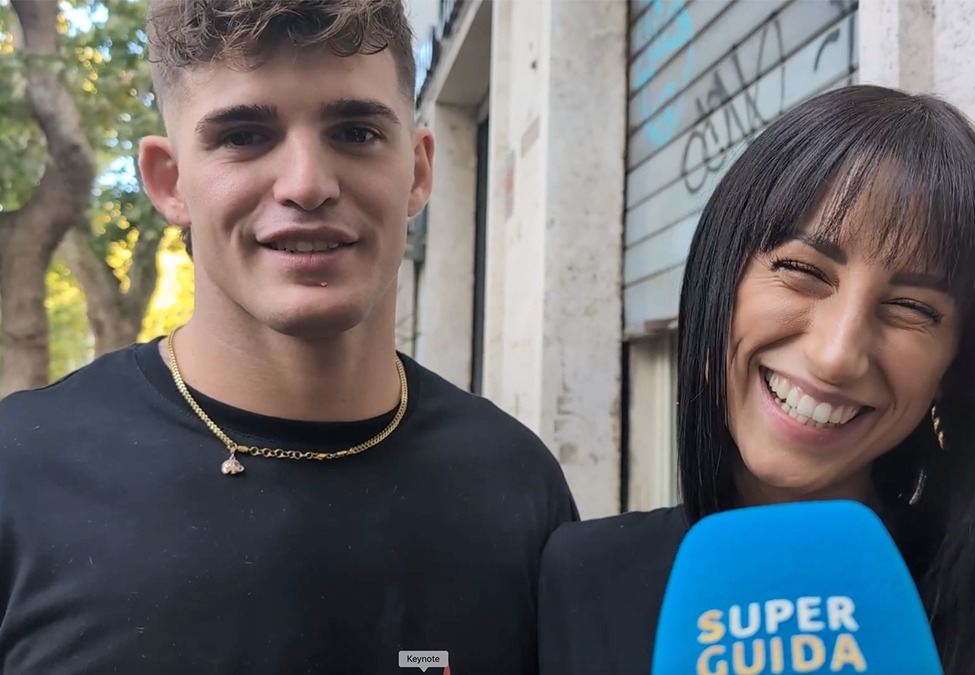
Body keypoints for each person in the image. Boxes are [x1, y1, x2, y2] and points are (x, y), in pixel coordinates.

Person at [0, 1, 577, 673]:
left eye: (356, 132)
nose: (307, 185)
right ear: (169, 181)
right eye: (244, 136)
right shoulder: (20, 473)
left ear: (419, 171)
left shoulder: (516, 485)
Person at [537, 85, 975, 675]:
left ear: (955, 368)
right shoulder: (579, 581)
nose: (836, 356)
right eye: (803, 270)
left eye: (912, 308)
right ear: (718, 285)